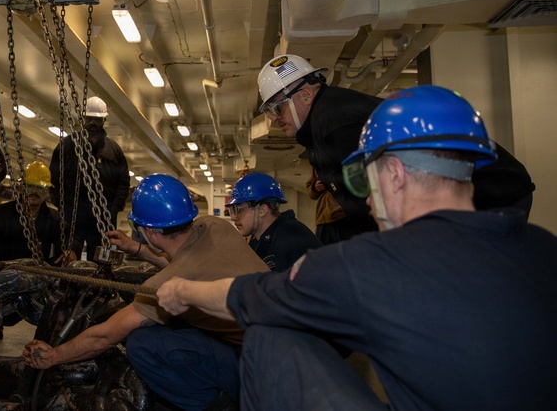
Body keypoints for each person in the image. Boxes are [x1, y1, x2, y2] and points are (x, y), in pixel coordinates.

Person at [157, 85, 557, 411]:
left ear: (395, 174)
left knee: (269, 334)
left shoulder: (368, 265)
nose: (364, 201)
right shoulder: (543, 246)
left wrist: (180, 291)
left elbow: (248, 297)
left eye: (366, 180)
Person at [23, 174, 268, 411]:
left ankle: (214, 406)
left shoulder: (167, 282)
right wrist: (137, 249)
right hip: (286, 342)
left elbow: (105, 336)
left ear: (149, 231)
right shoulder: (215, 225)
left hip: (255, 369)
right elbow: (185, 263)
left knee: (142, 343)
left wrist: (53, 355)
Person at [256, 54, 535, 244]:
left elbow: (378, 203)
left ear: (305, 94)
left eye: (276, 107)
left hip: (494, 192)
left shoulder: (334, 125)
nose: (274, 118)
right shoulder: (323, 121)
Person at [49, 96, 130, 260]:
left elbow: (123, 182)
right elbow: (54, 180)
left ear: (104, 121)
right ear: (82, 120)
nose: (92, 125)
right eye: (89, 120)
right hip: (72, 212)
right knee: (67, 257)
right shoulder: (66, 147)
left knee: (102, 260)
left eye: (97, 121)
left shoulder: (113, 150)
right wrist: (62, 205)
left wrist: (114, 208)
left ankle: (101, 285)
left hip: (104, 213)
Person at [0, 161, 74, 266]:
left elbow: (70, 236)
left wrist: (71, 250)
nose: (34, 192)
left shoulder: (54, 219)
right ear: (21, 188)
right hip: (4, 275)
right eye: (30, 186)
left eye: (40, 187)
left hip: (39, 276)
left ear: (47, 192)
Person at [226, 172, 320, 271]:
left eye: (239, 209)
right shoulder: (259, 240)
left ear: (262, 210)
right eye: (232, 210)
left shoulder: (290, 238)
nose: (233, 217)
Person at [306, 166, 346, 235]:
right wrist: (315, 187)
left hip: (341, 217)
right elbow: (310, 189)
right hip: (322, 219)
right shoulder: (318, 162)